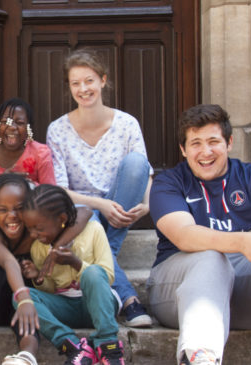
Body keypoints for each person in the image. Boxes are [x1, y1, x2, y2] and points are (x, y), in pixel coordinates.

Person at [148, 104, 251, 365]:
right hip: (177, 291)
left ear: (229, 142)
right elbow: (184, 235)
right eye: (195, 143)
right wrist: (241, 241)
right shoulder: (168, 183)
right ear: (183, 150)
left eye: (213, 141)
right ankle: (200, 358)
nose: (205, 152)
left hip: (245, 299)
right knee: (210, 258)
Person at [46, 48, 153, 327]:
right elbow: (60, 190)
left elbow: (144, 172)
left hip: (121, 203)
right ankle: (129, 299)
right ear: (69, 88)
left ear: (103, 80)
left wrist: (147, 203)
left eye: (89, 80)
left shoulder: (127, 123)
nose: (84, 89)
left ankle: (105, 261)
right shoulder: (57, 130)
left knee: (134, 163)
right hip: (83, 209)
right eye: (76, 83)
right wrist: (101, 205)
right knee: (85, 218)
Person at [0, 174, 91, 365]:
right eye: (3, 210)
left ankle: (27, 356)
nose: (12, 215)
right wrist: (24, 297)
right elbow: (10, 262)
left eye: (19, 209)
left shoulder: (37, 231)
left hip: (28, 309)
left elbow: (84, 211)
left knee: (26, 306)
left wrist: (56, 249)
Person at [20, 184, 125, 364]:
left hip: (100, 305)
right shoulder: (39, 247)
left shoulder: (93, 230)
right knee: (23, 297)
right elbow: (51, 288)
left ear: (62, 219)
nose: (33, 234)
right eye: (29, 228)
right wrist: (37, 277)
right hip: (66, 306)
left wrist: (75, 262)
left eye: (38, 228)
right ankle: (72, 345)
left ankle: (108, 345)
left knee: (93, 272)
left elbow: (107, 276)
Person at [0, 98, 55, 203]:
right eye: (5, 122)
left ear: (28, 128)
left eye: (19, 123)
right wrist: (0, 182)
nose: (12, 127)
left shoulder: (41, 153)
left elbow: (51, 193)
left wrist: (27, 186)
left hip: (32, 211)